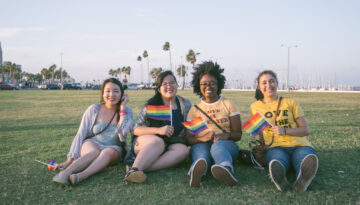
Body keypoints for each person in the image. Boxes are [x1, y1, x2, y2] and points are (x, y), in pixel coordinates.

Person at [52, 78, 133, 186]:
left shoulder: (127, 111)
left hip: (113, 148)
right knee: (93, 152)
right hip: (92, 143)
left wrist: (122, 107)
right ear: (102, 93)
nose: (111, 94)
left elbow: (124, 130)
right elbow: (81, 133)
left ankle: (81, 176)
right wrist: (70, 159)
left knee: (106, 152)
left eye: (116, 91)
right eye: (107, 91)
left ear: (122, 94)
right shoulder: (93, 109)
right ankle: (65, 174)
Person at [250, 70, 318, 192]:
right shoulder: (255, 107)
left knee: (304, 158)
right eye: (264, 83)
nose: (268, 85)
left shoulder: (290, 102)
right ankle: (280, 178)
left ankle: (302, 179)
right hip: (275, 147)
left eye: (271, 81)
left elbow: (305, 130)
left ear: (277, 83)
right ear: (259, 87)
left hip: (300, 145)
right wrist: (261, 147)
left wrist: (285, 131)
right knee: (277, 160)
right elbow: (260, 133)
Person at [124, 70, 192, 183]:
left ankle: (137, 169)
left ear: (177, 85)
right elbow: (135, 129)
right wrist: (158, 130)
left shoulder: (185, 103)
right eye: (164, 84)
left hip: (170, 145)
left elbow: (190, 125)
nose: (169, 86)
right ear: (159, 89)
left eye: (172, 83)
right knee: (158, 142)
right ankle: (134, 170)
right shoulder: (152, 105)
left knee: (183, 150)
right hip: (146, 144)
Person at [186, 61, 242, 187]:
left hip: (226, 145)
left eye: (212, 83)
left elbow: (238, 134)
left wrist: (225, 136)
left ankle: (226, 169)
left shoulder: (228, 104)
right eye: (204, 84)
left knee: (218, 147)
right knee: (201, 155)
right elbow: (189, 139)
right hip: (202, 144)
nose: (208, 87)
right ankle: (197, 174)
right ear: (198, 85)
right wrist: (201, 139)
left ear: (219, 84)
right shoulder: (195, 109)